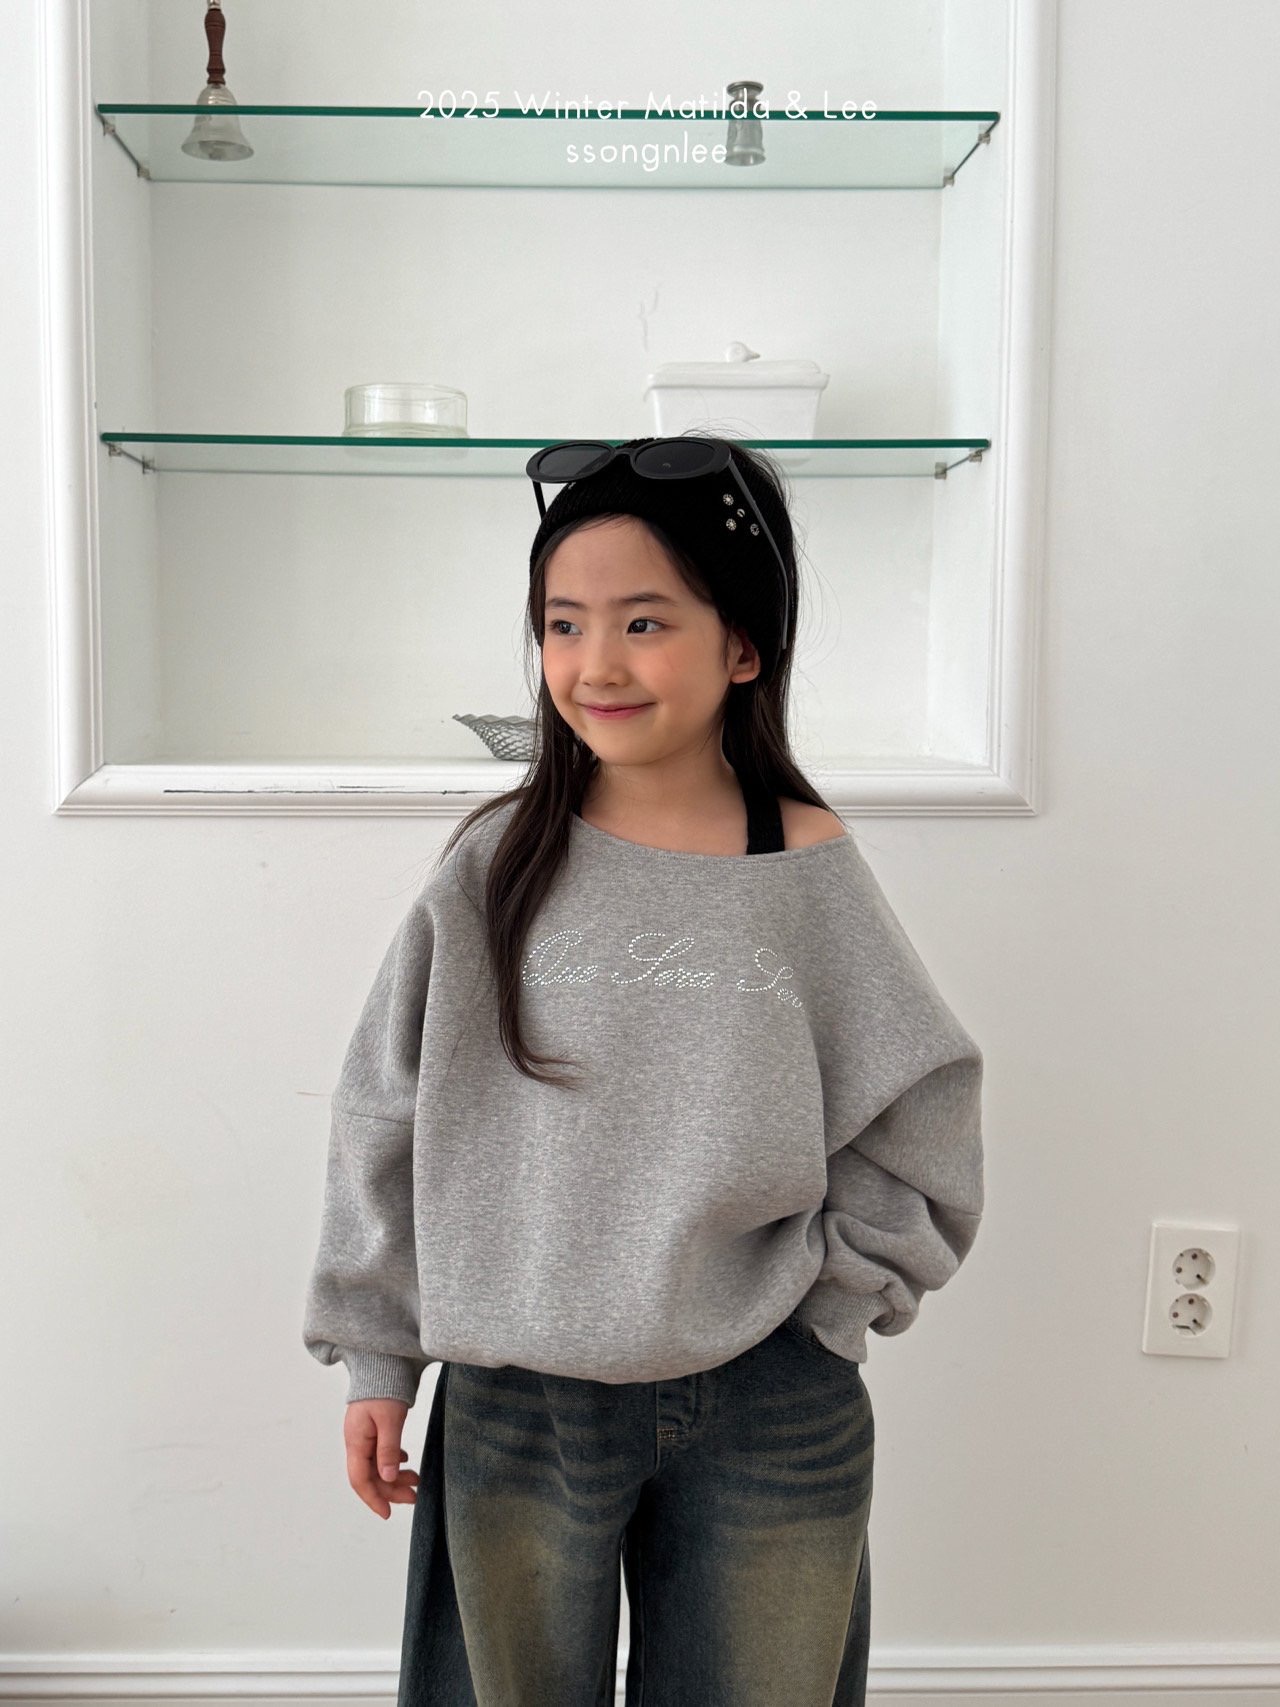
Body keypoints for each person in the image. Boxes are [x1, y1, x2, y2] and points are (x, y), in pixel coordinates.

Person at [302, 435, 985, 1707]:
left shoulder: (802, 864)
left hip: (769, 1398)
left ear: (744, 647)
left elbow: (918, 1105)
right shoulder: (496, 865)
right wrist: (376, 1357)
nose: (595, 664)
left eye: (644, 622)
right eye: (562, 624)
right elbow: (383, 1114)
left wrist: (833, 1309)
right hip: (514, 1399)